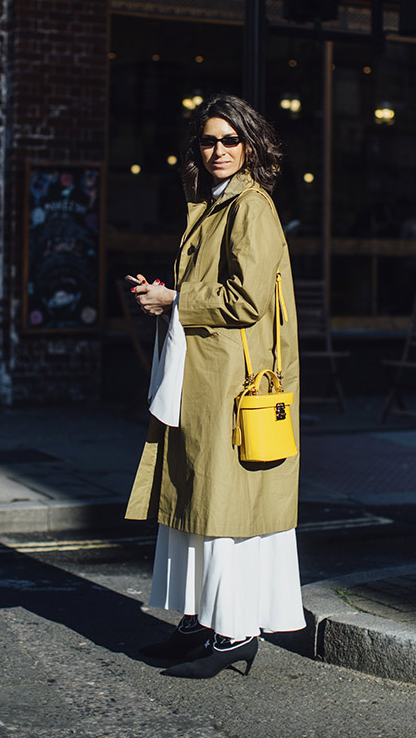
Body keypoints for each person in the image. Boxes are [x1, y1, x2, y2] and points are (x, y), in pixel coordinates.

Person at [125, 93, 305, 679]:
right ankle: (200, 622)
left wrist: (174, 299)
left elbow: (247, 299)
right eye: (209, 140)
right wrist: (167, 295)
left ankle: (233, 634)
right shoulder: (211, 204)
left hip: (231, 383)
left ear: (250, 145)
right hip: (203, 375)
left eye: (231, 140)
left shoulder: (252, 207)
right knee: (196, 501)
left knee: (222, 508)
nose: (219, 150)